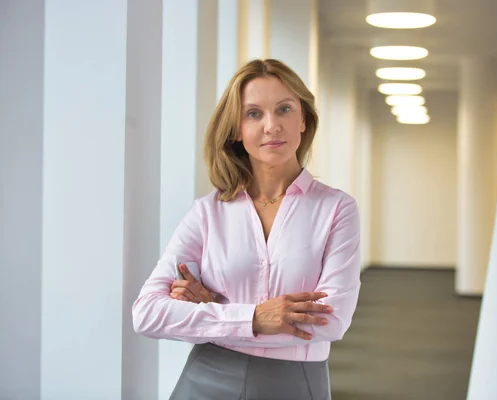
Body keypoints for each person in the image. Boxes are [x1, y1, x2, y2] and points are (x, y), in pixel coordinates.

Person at [132, 58, 361, 400]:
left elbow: (330, 321)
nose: (272, 125)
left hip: (294, 384)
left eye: (284, 109)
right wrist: (252, 318)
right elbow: (147, 313)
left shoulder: (337, 209)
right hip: (205, 379)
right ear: (237, 130)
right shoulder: (208, 212)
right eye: (254, 113)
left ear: (303, 120)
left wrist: (211, 309)